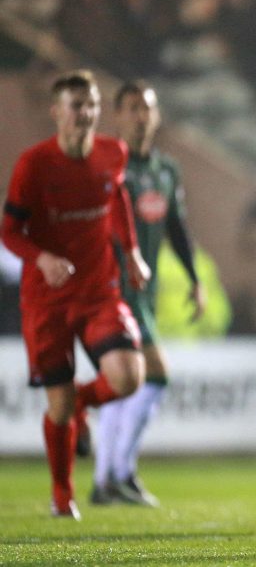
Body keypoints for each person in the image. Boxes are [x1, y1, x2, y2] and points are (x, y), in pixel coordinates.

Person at [1, 69, 151, 520]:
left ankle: (85, 403)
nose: (85, 114)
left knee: (129, 377)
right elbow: (9, 230)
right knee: (59, 406)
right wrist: (41, 258)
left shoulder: (113, 153)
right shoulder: (34, 164)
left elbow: (117, 201)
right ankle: (62, 494)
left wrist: (132, 253)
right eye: (76, 106)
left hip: (98, 289)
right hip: (46, 298)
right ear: (57, 112)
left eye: (91, 106)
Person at [90, 80, 206, 507]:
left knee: (126, 384)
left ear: (156, 117)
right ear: (118, 115)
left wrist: (195, 279)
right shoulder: (104, 166)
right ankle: (120, 473)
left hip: (145, 291)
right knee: (155, 373)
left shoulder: (165, 170)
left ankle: (108, 480)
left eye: (147, 108)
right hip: (111, 289)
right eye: (133, 107)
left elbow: (176, 228)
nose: (141, 116)